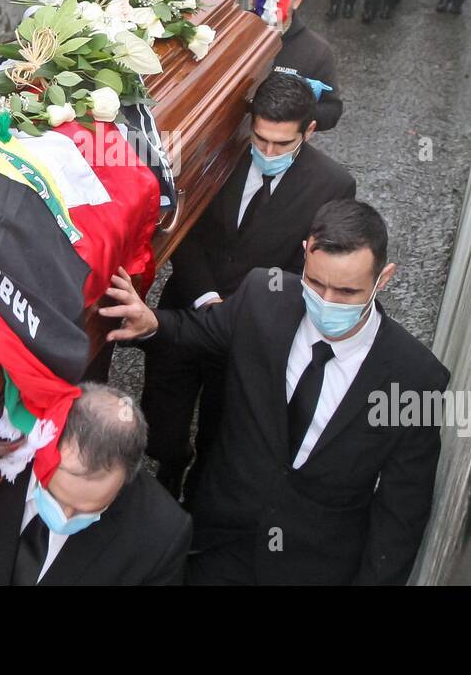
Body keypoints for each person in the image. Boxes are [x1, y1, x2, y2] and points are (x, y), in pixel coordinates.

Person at [103, 199, 450, 585]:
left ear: (383, 279)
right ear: (305, 253)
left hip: (314, 567)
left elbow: (402, 512)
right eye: (315, 283)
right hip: (218, 546)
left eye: (347, 292)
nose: (327, 302)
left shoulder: (417, 379)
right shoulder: (262, 297)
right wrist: (152, 324)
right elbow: (199, 332)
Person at [140, 74, 357, 500]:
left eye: (282, 144)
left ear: (308, 131)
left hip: (254, 331)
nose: (268, 152)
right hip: (189, 307)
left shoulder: (333, 184)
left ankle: (200, 498)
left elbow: (310, 266)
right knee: (162, 418)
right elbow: (185, 231)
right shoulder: (216, 154)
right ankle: (170, 462)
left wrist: (243, 309)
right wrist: (206, 298)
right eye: (260, 139)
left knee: (224, 430)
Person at [0, 383, 192, 585]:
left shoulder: (160, 537)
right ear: (43, 448)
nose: (64, 516)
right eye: (55, 495)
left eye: (86, 510)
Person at [246, 0, 342, 131]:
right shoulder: (232, 34)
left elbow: (332, 110)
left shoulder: (317, 51)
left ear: (296, 0)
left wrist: (292, 113)